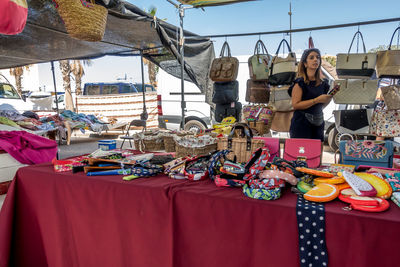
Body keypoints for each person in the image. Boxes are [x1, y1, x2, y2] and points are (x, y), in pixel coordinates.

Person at [288, 48, 332, 141]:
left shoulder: (324, 83)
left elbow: (322, 105)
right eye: (311, 58)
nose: (316, 59)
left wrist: (329, 97)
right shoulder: (300, 83)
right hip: (301, 124)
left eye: (318, 57)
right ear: (305, 63)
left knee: (316, 153)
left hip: (318, 122)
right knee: (301, 153)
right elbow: (295, 105)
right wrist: (316, 100)